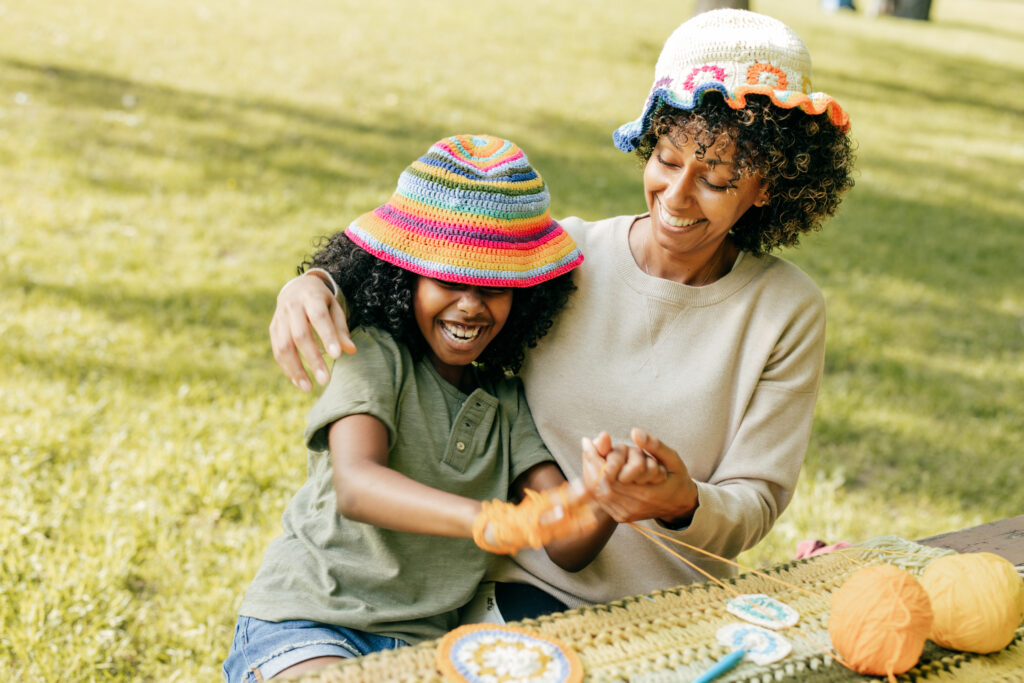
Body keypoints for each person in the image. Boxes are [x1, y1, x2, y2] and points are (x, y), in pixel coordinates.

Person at [269, 9, 855, 615]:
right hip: (517, 594)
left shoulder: (786, 310)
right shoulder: (564, 259)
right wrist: (319, 280)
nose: (676, 197)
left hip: (679, 614)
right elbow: (432, 242)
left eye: (718, 179)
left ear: (767, 185)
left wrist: (682, 501)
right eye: (668, 160)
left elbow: (755, 502)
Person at [225, 134, 618, 681]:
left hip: (422, 652)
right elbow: (359, 485)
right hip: (309, 621)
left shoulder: (506, 404)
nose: (470, 305)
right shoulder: (375, 355)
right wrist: (488, 521)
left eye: (493, 287)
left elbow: (568, 545)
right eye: (448, 280)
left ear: (524, 296)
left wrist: (607, 498)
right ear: (404, 278)